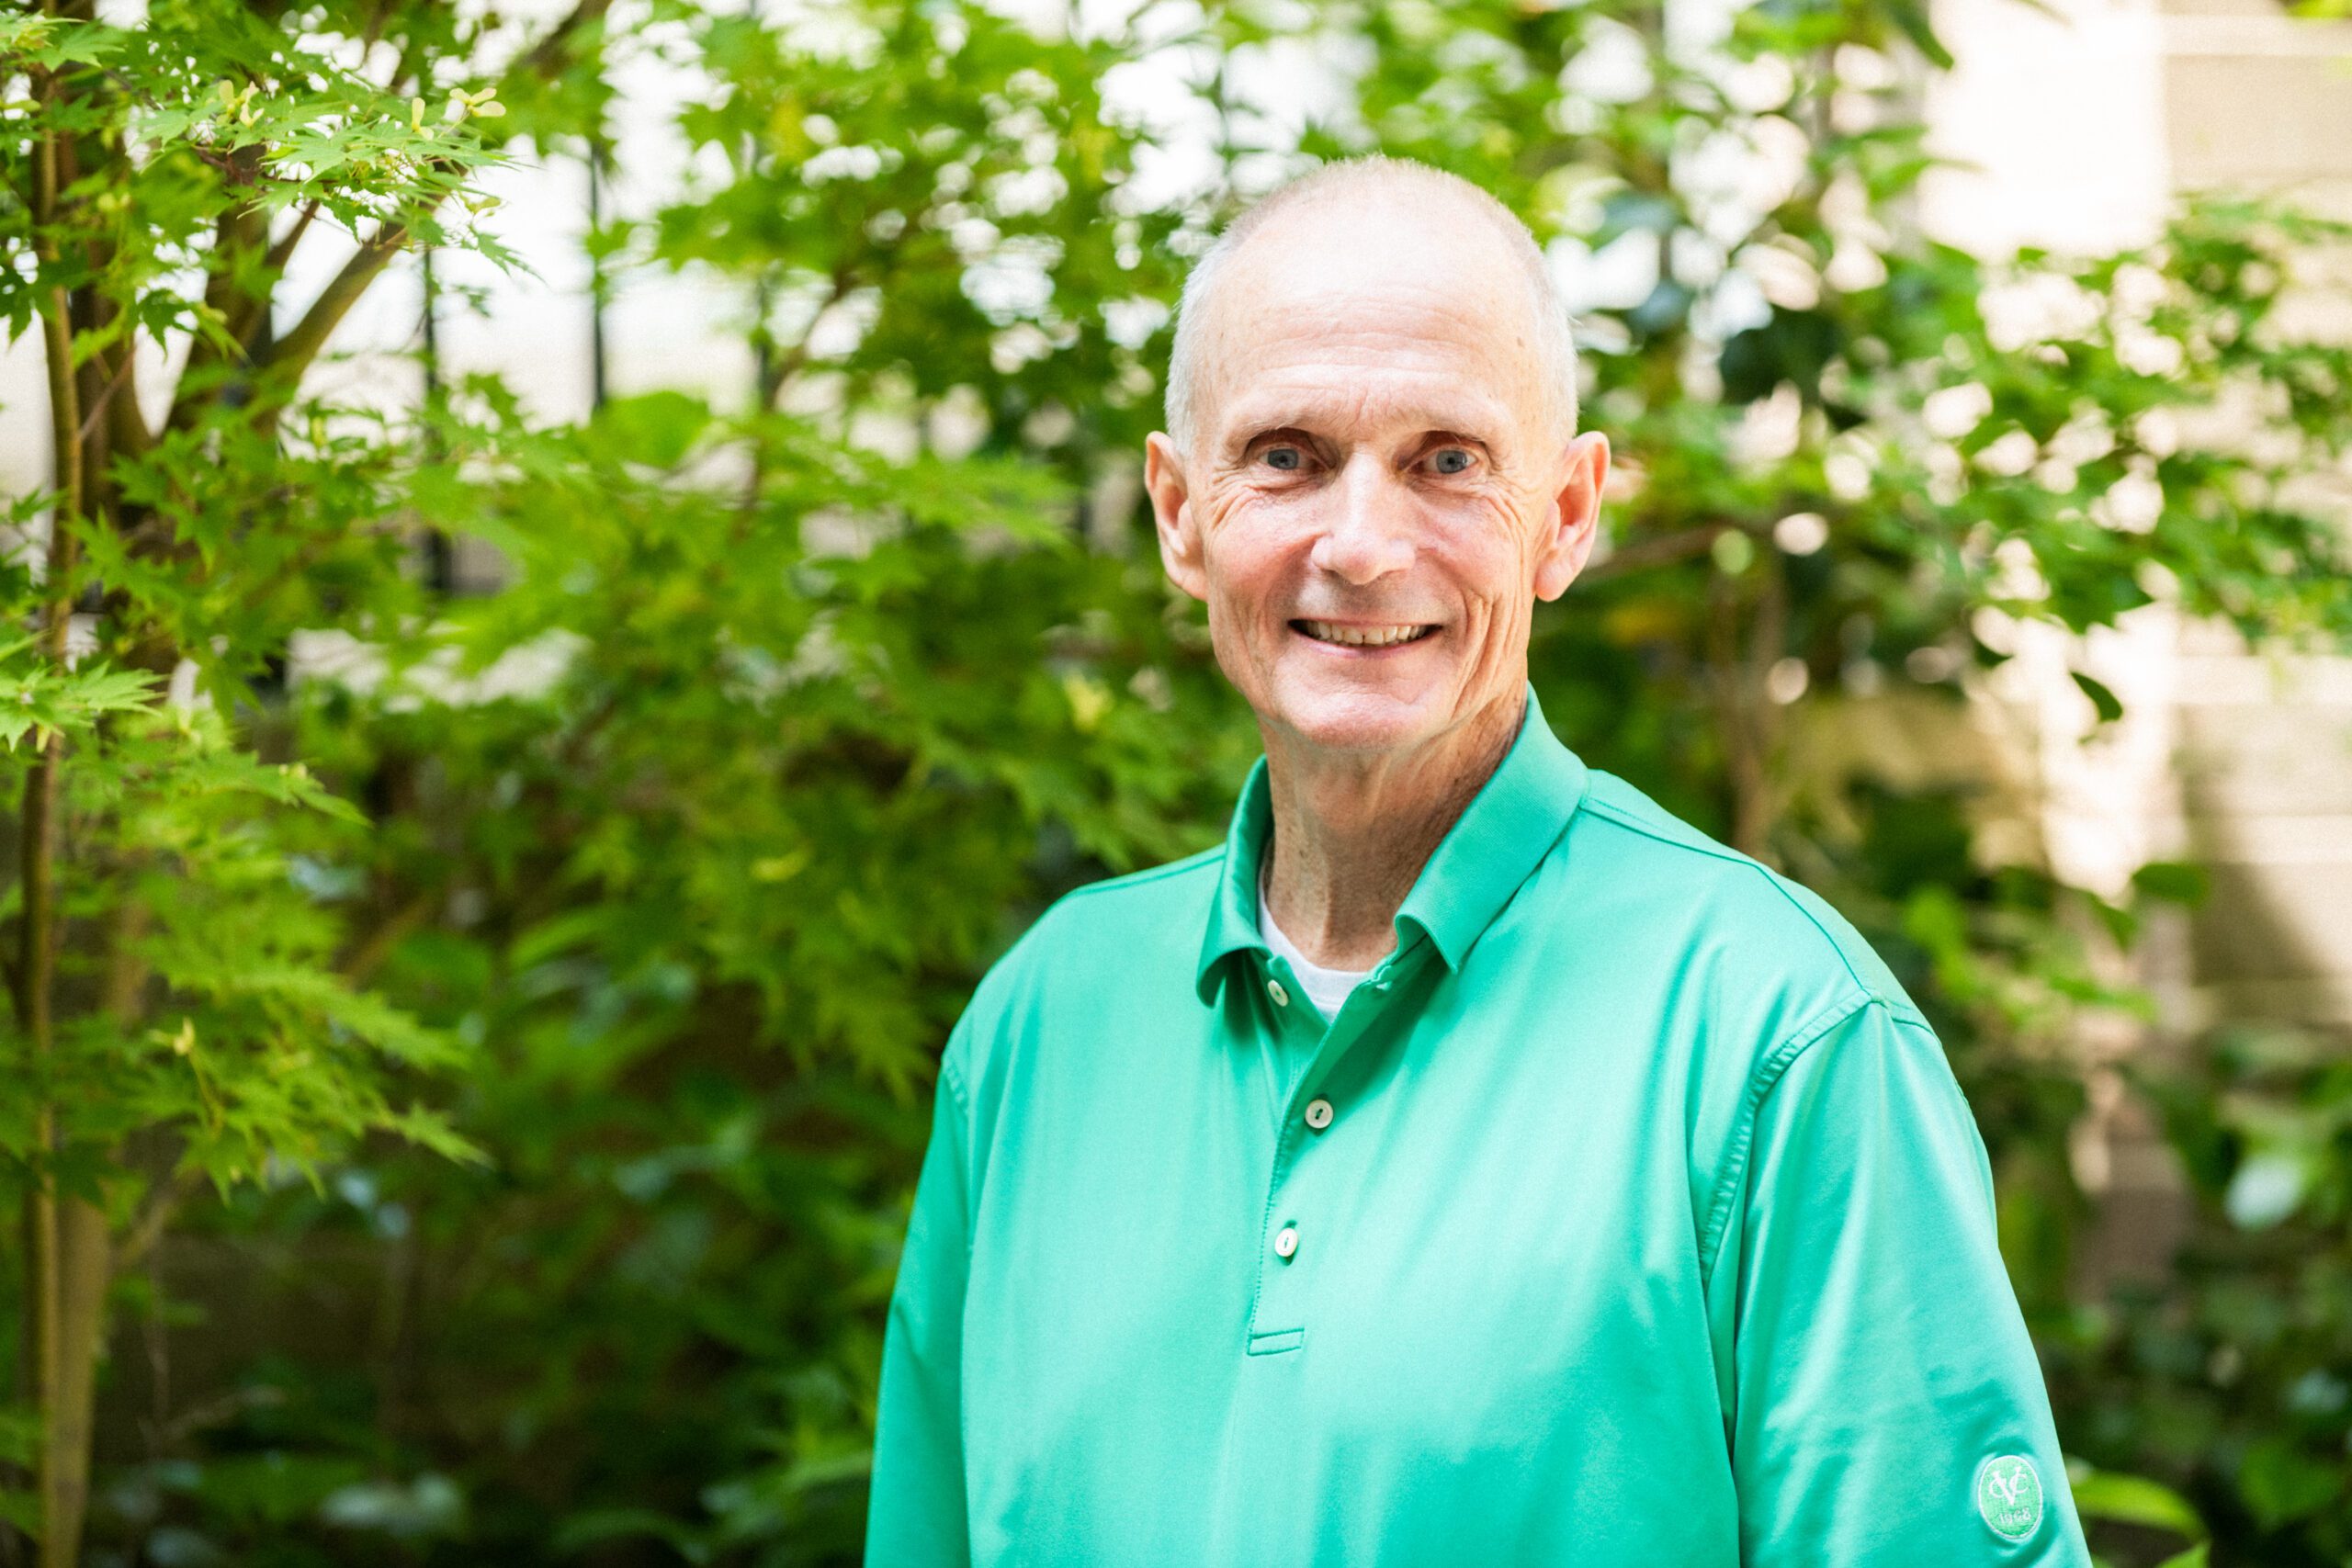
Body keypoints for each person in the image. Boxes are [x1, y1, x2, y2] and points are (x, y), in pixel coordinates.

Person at [864, 154, 2093, 1566]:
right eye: (1287, 458)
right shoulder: (1038, 1027)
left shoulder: (1779, 1037)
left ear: (1566, 516)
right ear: (1179, 512)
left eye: (1447, 462)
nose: (1363, 545)